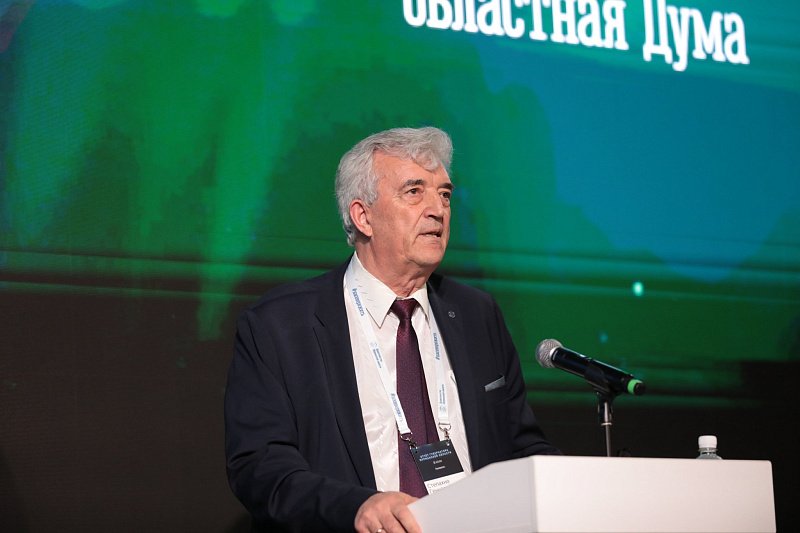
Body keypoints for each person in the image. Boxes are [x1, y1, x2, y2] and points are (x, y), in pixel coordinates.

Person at [224, 126, 559, 533]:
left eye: (445, 194)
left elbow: (521, 446)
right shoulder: (281, 325)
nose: (437, 210)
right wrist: (357, 507)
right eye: (414, 191)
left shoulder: (477, 314)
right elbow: (260, 468)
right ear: (363, 216)